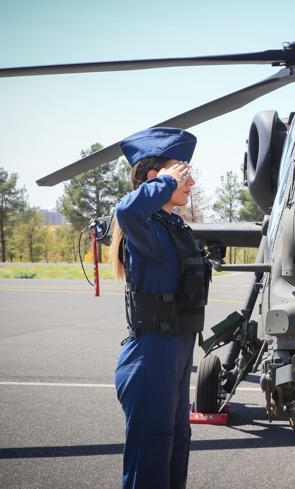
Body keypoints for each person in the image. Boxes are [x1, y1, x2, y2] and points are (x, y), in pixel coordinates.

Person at [109, 127, 211, 489]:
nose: (192, 182)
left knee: (175, 450)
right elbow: (126, 209)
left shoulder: (170, 226)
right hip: (151, 358)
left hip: (176, 356)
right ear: (157, 179)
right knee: (150, 461)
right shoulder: (144, 227)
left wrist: (168, 181)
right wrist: (167, 182)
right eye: (183, 173)